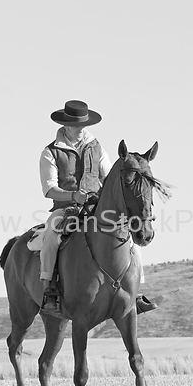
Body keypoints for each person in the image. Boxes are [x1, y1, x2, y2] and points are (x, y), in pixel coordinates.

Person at [39, 99, 157, 316]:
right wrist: (73, 195)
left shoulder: (96, 147)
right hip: (66, 207)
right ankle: (49, 288)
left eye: (84, 124)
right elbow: (49, 189)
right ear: (65, 125)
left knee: (129, 235)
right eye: (77, 124)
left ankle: (136, 291)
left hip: (96, 206)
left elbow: (109, 177)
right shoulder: (51, 152)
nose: (81, 128)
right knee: (50, 234)